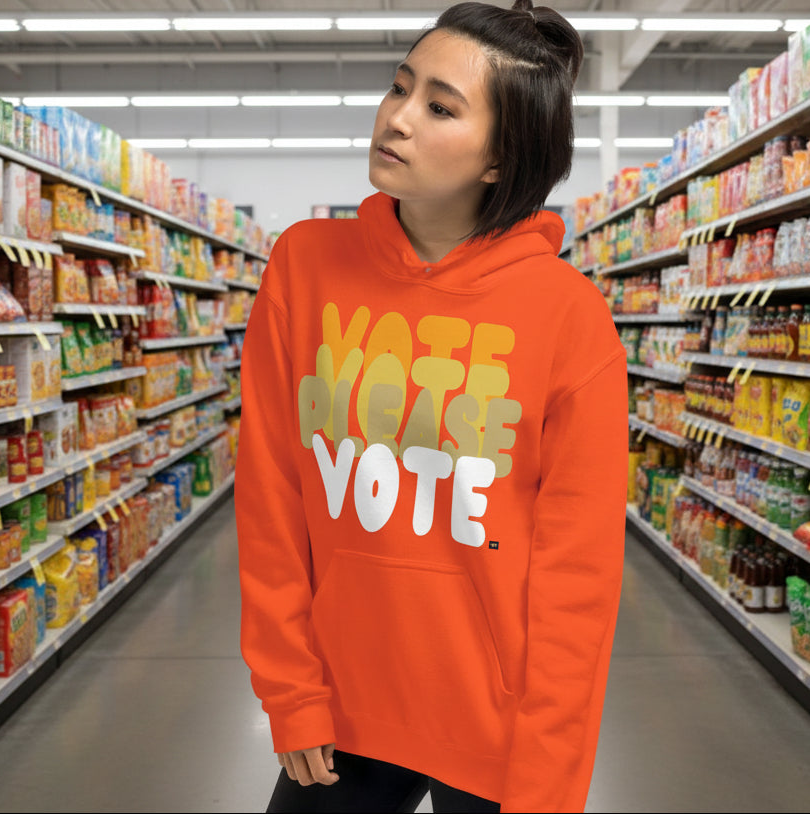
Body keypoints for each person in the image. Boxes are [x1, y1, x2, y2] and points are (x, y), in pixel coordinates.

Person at [235, 2, 628, 812]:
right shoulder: (304, 266)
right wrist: (289, 688)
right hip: (341, 706)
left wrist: (548, 780)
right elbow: (271, 494)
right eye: (399, 87)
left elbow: (577, 576)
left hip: (499, 724)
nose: (398, 118)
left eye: (440, 107)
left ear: (500, 158)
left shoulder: (567, 315)